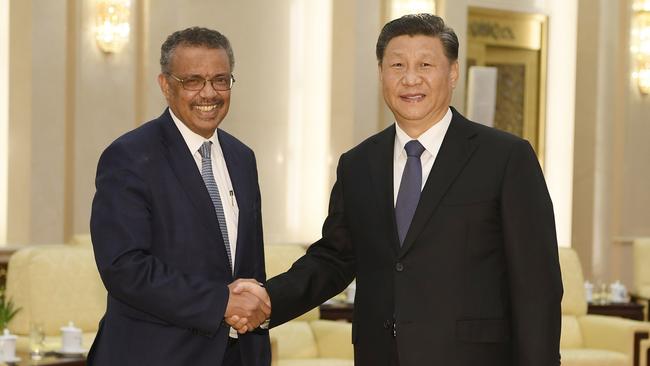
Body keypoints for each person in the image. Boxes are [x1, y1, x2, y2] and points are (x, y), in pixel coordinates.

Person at [232, 13, 562, 366]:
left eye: (425, 64)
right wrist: (269, 299)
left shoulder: (505, 158)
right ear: (380, 73)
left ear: (452, 73)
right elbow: (335, 258)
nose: (410, 78)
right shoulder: (358, 164)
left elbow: (536, 287)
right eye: (397, 65)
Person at [88, 27, 271, 366]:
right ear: (165, 85)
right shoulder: (128, 156)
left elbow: (250, 266)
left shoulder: (242, 157)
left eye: (220, 80)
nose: (208, 93)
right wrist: (221, 303)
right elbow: (124, 267)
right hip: (154, 355)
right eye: (192, 81)